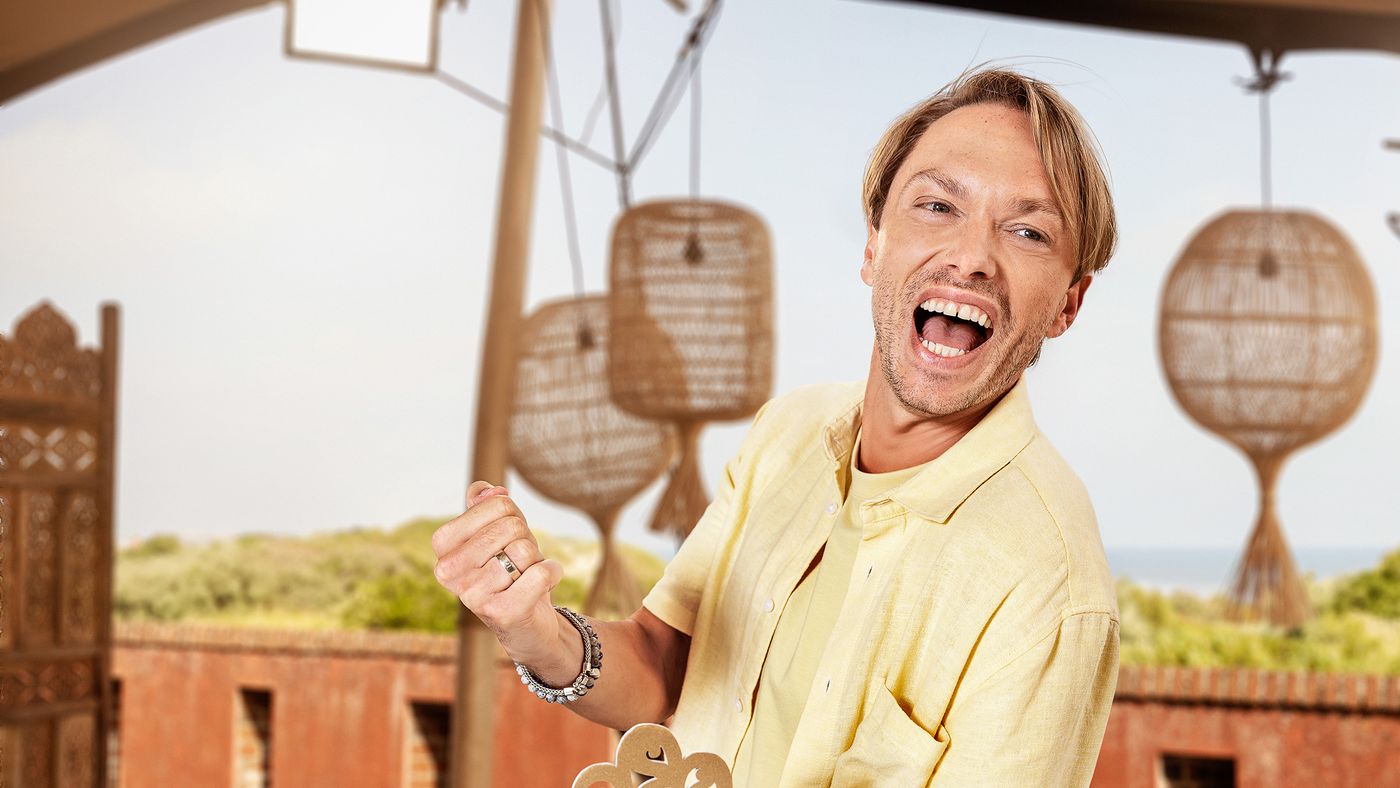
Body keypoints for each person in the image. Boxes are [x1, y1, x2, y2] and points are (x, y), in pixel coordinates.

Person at [431, 67, 1119, 786]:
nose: (972, 258)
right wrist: (534, 630)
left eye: (1028, 231)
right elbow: (665, 665)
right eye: (938, 205)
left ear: (1067, 304)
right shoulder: (787, 433)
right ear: (873, 246)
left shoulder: (1052, 587)